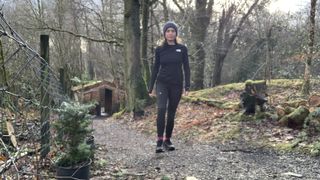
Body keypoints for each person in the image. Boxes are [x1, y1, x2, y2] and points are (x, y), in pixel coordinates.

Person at [148, 21, 190, 153]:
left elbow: (187, 68)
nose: (170, 33)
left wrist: (187, 85)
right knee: (161, 109)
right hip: (162, 83)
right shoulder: (160, 49)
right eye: (168, 31)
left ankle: (167, 140)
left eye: (172, 31)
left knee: (171, 112)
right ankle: (159, 141)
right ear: (164, 33)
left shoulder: (182, 49)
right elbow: (155, 68)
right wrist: (151, 87)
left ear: (176, 33)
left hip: (176, 84)